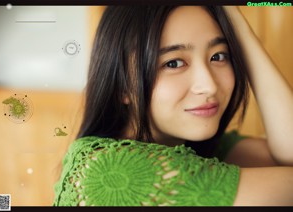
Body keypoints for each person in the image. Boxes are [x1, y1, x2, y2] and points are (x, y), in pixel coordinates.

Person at [53, 6, 293, 206]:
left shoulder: (193, 147)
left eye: (219, 56)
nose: (208, 85)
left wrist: (240, 30)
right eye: (174, 63)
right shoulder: (112, 170)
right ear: (122, 86)